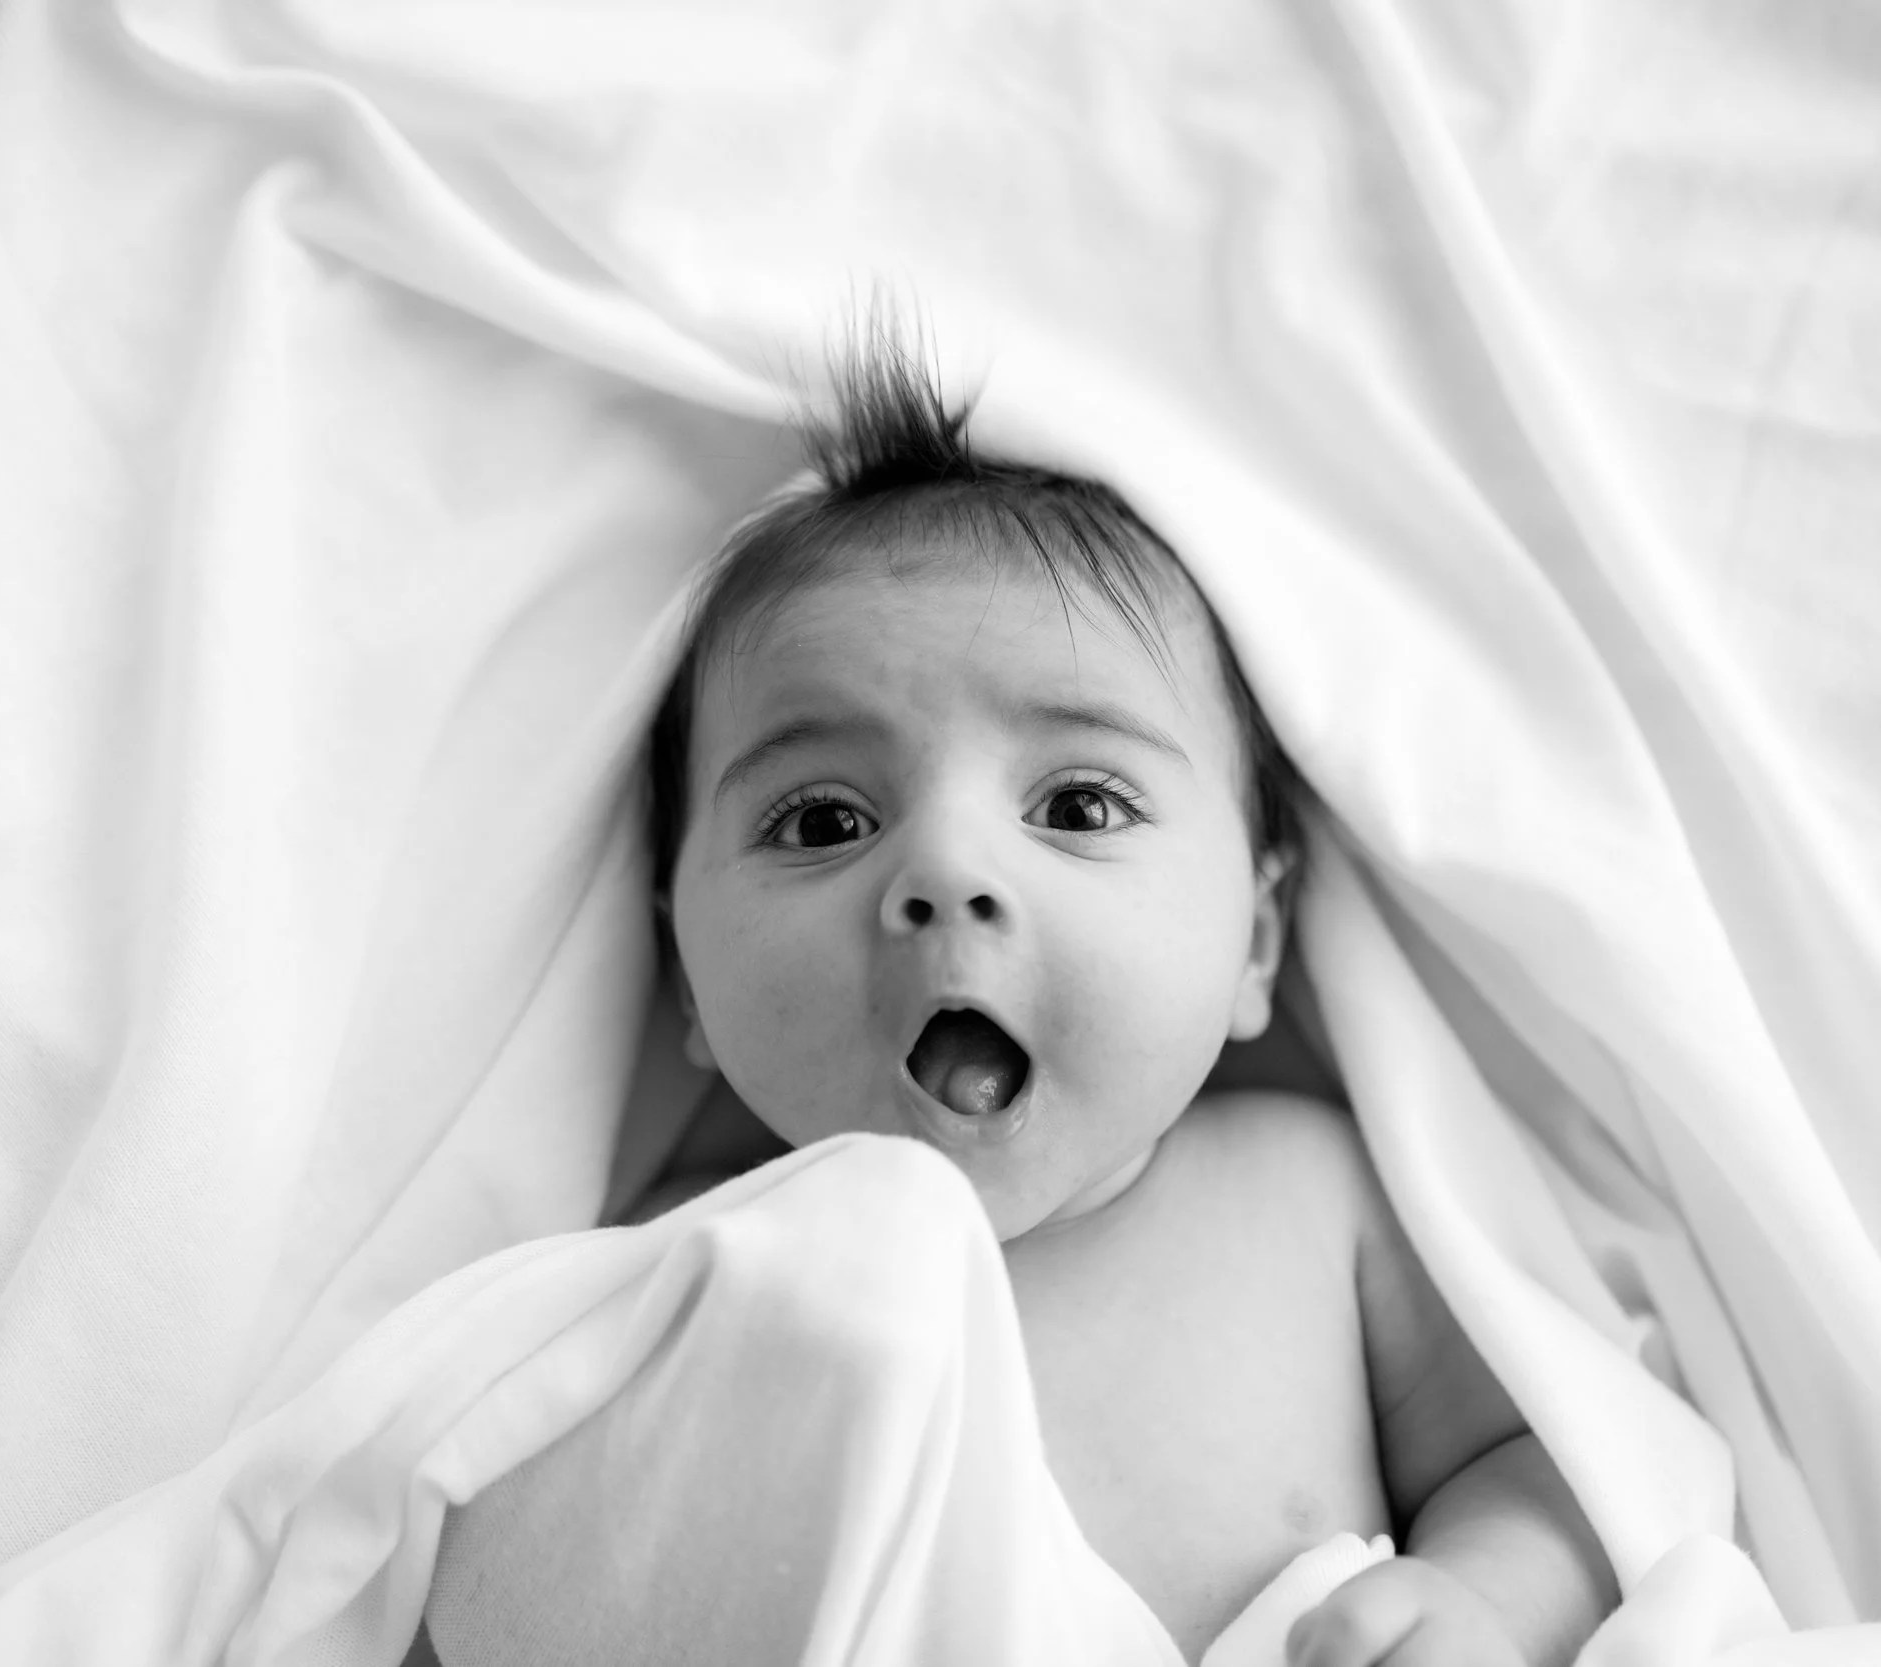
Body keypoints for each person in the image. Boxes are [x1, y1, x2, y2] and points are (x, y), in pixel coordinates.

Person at [619, 328, 1614, 1667]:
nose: (945, 870)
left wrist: (1480, 1603)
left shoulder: (1302, 1199)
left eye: (1078, 804)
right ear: (683, 965)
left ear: (1257, 938)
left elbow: (1550, 1467)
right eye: (820, 820)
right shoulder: (663, 1282)